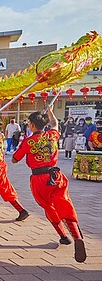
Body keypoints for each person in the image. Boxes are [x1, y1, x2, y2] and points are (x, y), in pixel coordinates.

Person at [12, 108, 87, 263]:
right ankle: (77, 237)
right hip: (55, 176)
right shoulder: (52, 135)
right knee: (65, 205)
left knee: (49, 208)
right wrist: (51, 112)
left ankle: (63, 236)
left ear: (32, 125)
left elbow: (14, 159)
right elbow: (55, 123)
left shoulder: (28, 141)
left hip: (39, 180)